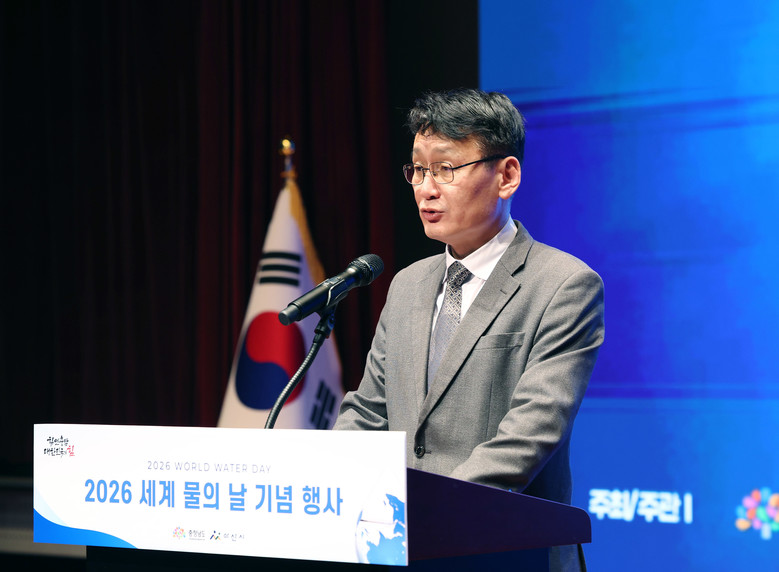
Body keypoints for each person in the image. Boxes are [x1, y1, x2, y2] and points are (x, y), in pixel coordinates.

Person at [333, 88, 604, 571]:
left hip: (506, 552)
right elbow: (371, 411)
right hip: (399, 546)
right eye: (418, 170)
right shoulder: (408, 284)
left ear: (507, 176)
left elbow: (529, 435)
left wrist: (426, 516)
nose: (426, 188)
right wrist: (329, 484)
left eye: (445, 168)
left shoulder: (563, 285)